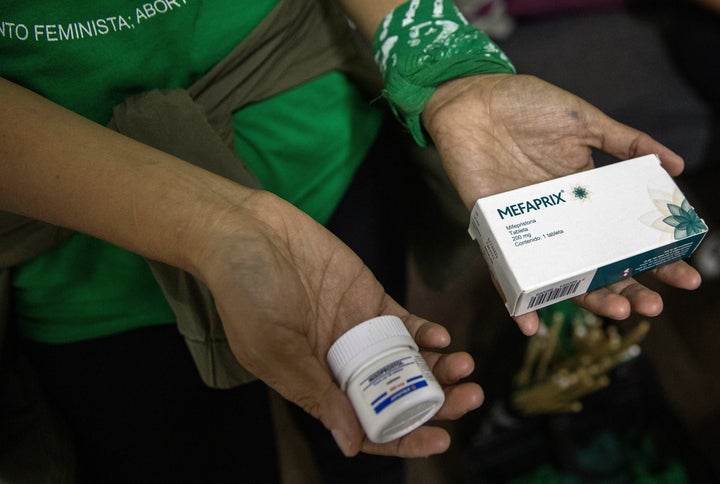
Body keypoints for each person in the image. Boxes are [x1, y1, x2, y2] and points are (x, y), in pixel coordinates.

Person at [0, 0, 701, 482]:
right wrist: (222, 227)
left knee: (373, 449)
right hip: (76, 230)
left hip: (315, 129)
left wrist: (451, 70)